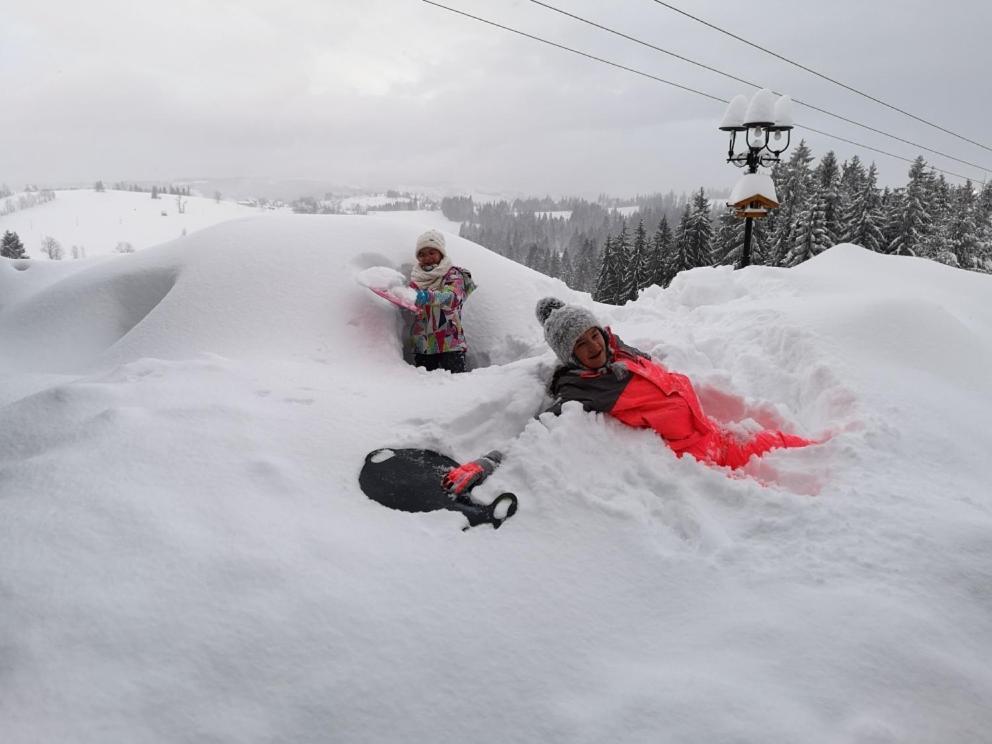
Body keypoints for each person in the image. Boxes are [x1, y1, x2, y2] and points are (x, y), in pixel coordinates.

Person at [408, 229, 475, 374]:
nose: (427, 258)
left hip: (450, 343)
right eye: (422, 254)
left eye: (432, 253)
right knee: (424, 390)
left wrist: (429, 296)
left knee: (455, 388)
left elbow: (453, 297)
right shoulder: (416, 278)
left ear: (441, 253)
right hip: (423, 344)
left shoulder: (453, 274)